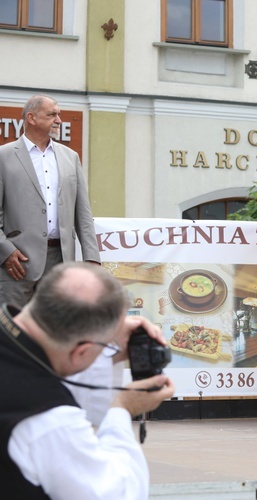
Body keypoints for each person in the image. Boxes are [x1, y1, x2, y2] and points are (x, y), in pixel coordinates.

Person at [0, 262, 175, 499]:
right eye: (103, 348)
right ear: (81, 351)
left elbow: (49, 368)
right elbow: (118, 493)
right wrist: (122, 409)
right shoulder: (48, 420)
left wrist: (102, 339)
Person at [0, 95, 100, 308]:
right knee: (9, 331)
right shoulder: (4, 156)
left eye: (59, 115)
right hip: (17, 261)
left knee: (55, 329)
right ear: (32, 118)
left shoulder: (70, 157)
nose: (59, 120)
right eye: (52, 114)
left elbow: (82, 212)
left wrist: (92, 258)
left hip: (61, 261)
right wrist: (6, 252)